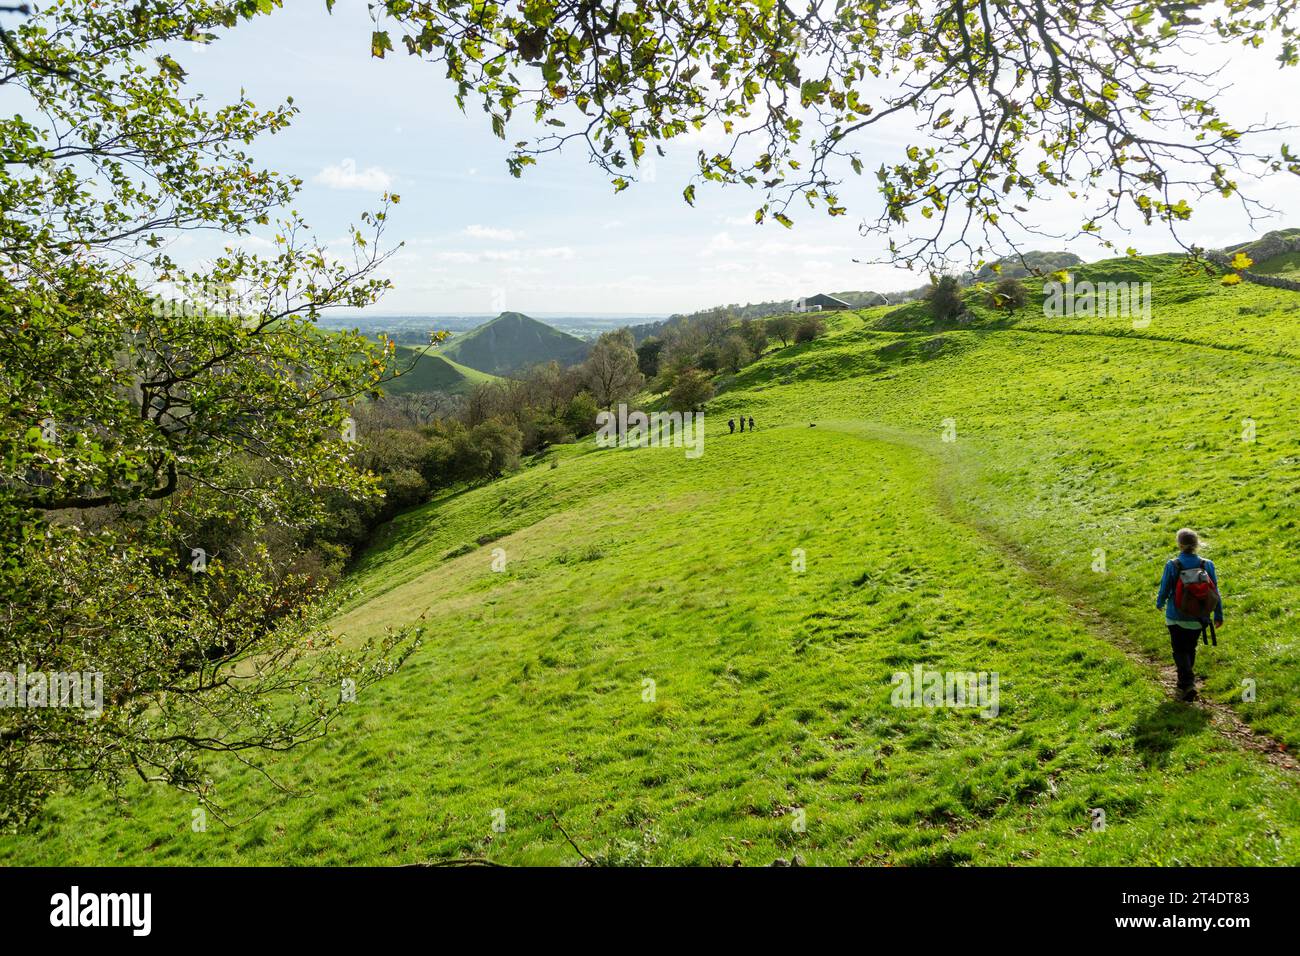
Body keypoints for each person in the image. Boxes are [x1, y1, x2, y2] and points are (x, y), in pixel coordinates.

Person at [1156, 528, 1223, 701]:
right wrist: (1218, 614)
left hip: (1175, 615)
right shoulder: (1207, 564)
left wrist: (1160, 603)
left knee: (1179, 650)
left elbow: (1165, 588)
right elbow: (1215, 591)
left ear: (1179, 544)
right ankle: (1184, 683)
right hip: (1199, 616)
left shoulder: (1173, 564)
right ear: (1196, 544)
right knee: (1190, 648)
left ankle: (1187, 682)